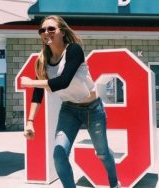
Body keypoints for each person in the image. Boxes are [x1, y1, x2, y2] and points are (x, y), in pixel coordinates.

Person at [20, 15, 121, 188]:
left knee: (102, 153)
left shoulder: (74, 50)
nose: (46, 32)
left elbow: (63, 81)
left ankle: (114, 184)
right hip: (69, 110)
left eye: (51, 29)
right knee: (58, 155)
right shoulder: (42, 60)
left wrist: (30, 81)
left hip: (93, 109)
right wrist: (30, 121)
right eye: (42, 30)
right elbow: (38, 93)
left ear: (62, 32)